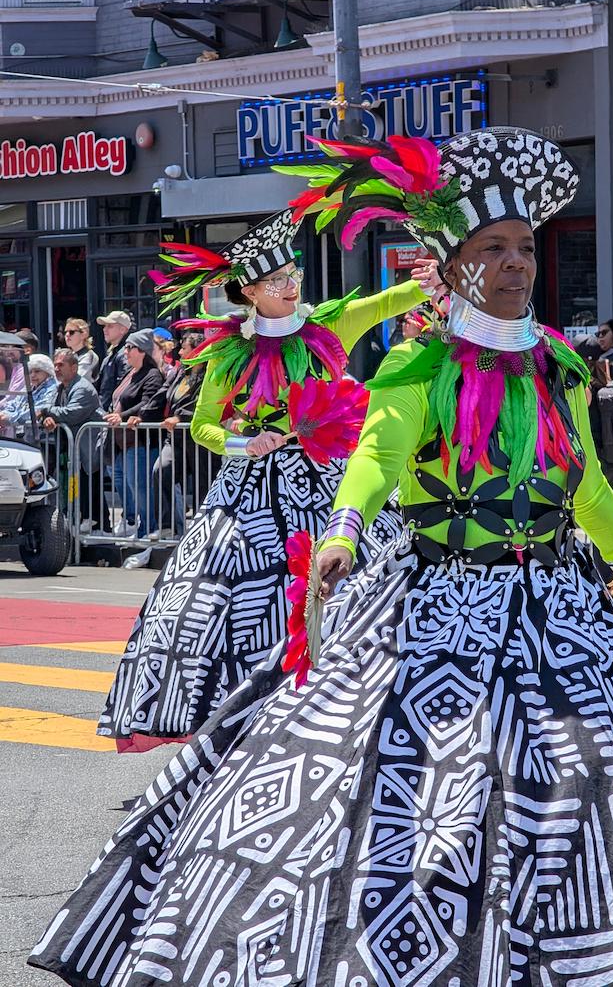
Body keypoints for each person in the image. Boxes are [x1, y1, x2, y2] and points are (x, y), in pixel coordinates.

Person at [30, 129, 613, 987]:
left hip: (561, 610)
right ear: (450, 269)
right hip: (436, 603)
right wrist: (341, 532)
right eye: (493, 248)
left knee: (604, 780)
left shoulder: (561, 363)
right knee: (417, 797)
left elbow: (588, 486)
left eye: (525, 246)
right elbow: (375, 454)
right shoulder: (418, 362)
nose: (517, 263)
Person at [93, 207, 433, 752]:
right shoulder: (232, 351)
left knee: (360, 581)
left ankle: (346, 705)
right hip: (252, 487)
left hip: (326, 476)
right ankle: (239, 716)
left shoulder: (327, 326)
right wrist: (242, 442)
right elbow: (203, 424)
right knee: (216, 598)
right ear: (249, 292)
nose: (290, 286)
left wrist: (431, 280)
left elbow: (388, 303)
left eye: (293, 275)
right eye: (277, 281)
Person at [148, 331, 212, 539]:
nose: (180, 352)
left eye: (185, 348)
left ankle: (202, 529)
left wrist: (180, 418)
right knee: (161, 470)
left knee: (203, 482)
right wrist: (139, 415)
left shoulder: (209, 375)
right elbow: (162, 394)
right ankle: (167, 525)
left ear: (198, 351)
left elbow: (203, 405)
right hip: (175, 438)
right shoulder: (179, 373)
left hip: (198, 437)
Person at [37, 349, 108, 531]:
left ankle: (98, 524)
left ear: (74, 367)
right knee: (78, 485)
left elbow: (71, 413)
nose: (57, 368)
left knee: (91, 486)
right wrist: (47, 418)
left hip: (89, 446)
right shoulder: (60, 387)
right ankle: (85, 520)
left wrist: (46, 411)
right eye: (56, 365)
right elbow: (54, 410)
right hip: (73, 448)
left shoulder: (83, 388)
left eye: (61, 365)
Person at [103, 328, 164, 538]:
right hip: (121, 441)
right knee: (123, 482)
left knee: (140, 487)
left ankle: (148, 528)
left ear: (143, 351)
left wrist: (121, 417)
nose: (126, 351)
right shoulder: (131, 374)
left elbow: (147, 404)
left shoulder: (153, 375)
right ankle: (136, 524)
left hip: (140, 441)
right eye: (126, 347)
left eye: (130, 347)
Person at [0, 353, 56, 429]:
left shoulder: (52, 389)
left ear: (48, 372)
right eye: (30, 372)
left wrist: (10, 418)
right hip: (26, 436)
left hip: (42, 437)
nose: (32, 375)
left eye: (37, 371)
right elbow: (13, 405)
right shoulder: (28, 388)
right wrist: (4, 414)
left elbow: (37, 411)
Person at [94, 309, 131, 411]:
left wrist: (113, 410)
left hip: (112, 415)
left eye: (110, 326)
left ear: (123, 330)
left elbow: (123, 386)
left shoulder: (124, 354)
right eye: (104, 326)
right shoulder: (110, 356)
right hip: (105, 412)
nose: (105, 329)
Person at [63, 317, 100, 381]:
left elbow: (77, 379)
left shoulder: (89, 356)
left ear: (84, 334)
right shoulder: (70, 355)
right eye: (65, 332)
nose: (67, 335)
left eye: (71, 332)